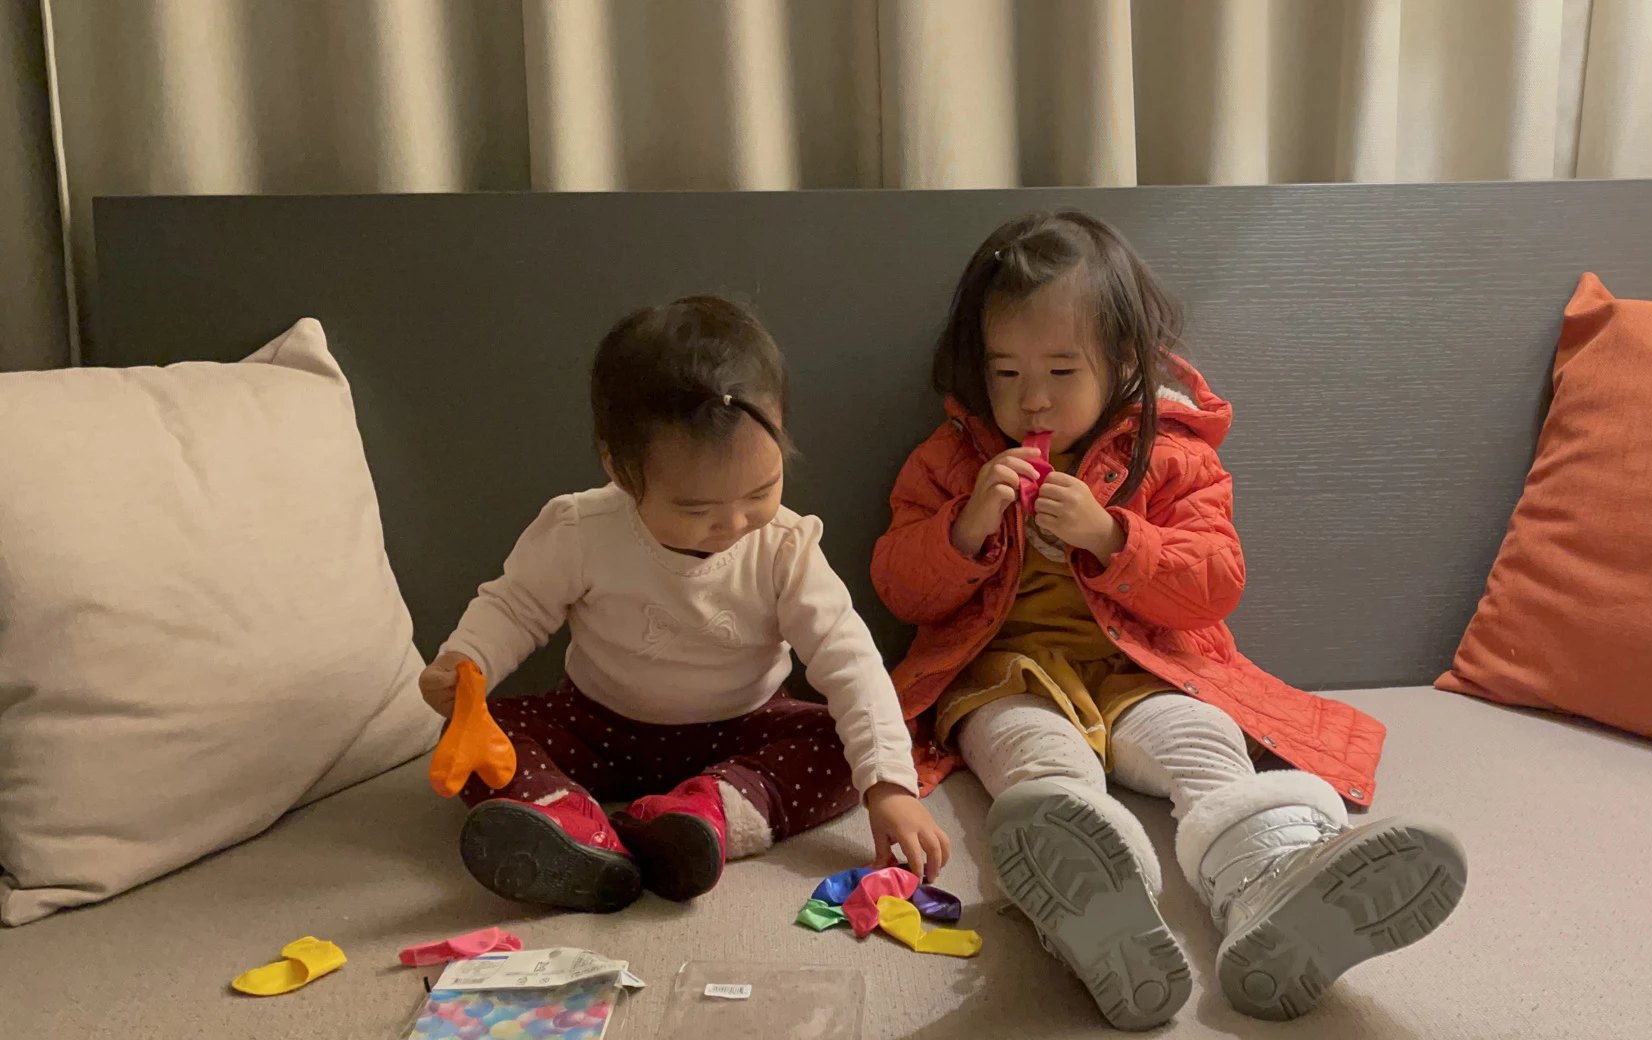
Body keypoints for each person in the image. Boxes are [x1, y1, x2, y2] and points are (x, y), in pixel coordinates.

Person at [872, 211, 1467, 1028]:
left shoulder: (1172, 454)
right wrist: (964, 528)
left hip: (1149, 670)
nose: (1032, 397)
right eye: (1005, 372)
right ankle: (1091, 910)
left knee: (1207, 745)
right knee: (1038, 771)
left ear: (1122, 363)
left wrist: (1112, 537)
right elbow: (900, 590)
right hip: (1008, 679)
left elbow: (1215, 582)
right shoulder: (949, 462)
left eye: (1060, 370)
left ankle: (1276, 882)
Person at [422, 295, 949, 913]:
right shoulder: (581, 529)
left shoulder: (784, 547)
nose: (732, 523)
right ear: (620, 470)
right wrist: (467, 663)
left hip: (742, 732)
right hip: (596, 728)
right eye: (695, 508)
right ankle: (569, 827)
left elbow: (849, 659)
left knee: (846, 744)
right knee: (483, 734)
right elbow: (515, 607)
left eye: (760, 491)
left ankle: (707, 813)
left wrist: (890, 787)